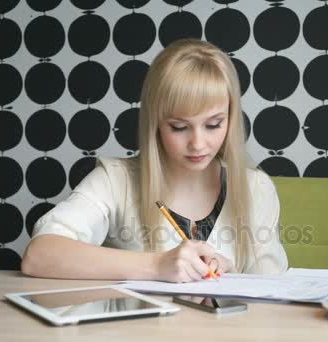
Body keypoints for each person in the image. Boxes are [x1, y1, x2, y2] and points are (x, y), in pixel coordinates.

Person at [21, 39, 288, 283]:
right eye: (179, 127)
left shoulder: (257, 189)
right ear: (155, 123)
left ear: (230, 119)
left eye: (213, 124)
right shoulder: (116, 180)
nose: (197, 143)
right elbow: (40, 255)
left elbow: (273, 294)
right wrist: (158, 265)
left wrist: (232, 274)